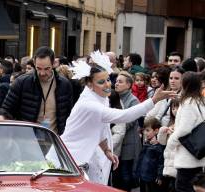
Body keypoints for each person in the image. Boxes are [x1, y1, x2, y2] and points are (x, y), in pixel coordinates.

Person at [60, 52, 176, 184]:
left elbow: (100, 127)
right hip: (70, 160)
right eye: (101, 82)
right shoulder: (89, 104)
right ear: (89, 84)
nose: (108, 85)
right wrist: (154, 100)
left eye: (108, 80)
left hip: (83, 159)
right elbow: (123, 116)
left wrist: (106, 150)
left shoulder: (99, 97)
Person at [169, 71, 205, 192]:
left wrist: (171, 141)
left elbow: (184, 129)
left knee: (182, 187)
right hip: (198, 150)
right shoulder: (201, 100)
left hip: (189, 152)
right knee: (191, 188)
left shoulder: (188, 102)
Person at [2, 46, 74, 135]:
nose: (42, 73)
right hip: (27, 139)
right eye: (38, 68)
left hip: (55, 139)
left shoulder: (64, 84)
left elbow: (69, 114)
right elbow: (6, 111)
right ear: (34, 64)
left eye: (47, 68)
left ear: (53, 64)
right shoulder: (21, 82)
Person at [109, 71, 141, 190]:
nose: (116, 84)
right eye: (116, 81)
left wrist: (113, 126)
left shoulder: (133, 101)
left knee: (125, 174)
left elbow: (129, 122)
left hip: (128, 143)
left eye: (120, 82)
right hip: (116, 141)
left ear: (128, 85)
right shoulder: (112, 97)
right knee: (116, 174)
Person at [135, 117, 166, 192]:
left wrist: (160, 176)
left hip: (152, 177)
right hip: (143, 175)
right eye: (144, 130)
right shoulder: (147, 143)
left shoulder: (158, 146)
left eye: (148, 130)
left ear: (156, 131)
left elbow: (161, 162)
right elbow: (141, 159)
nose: (145, 133)